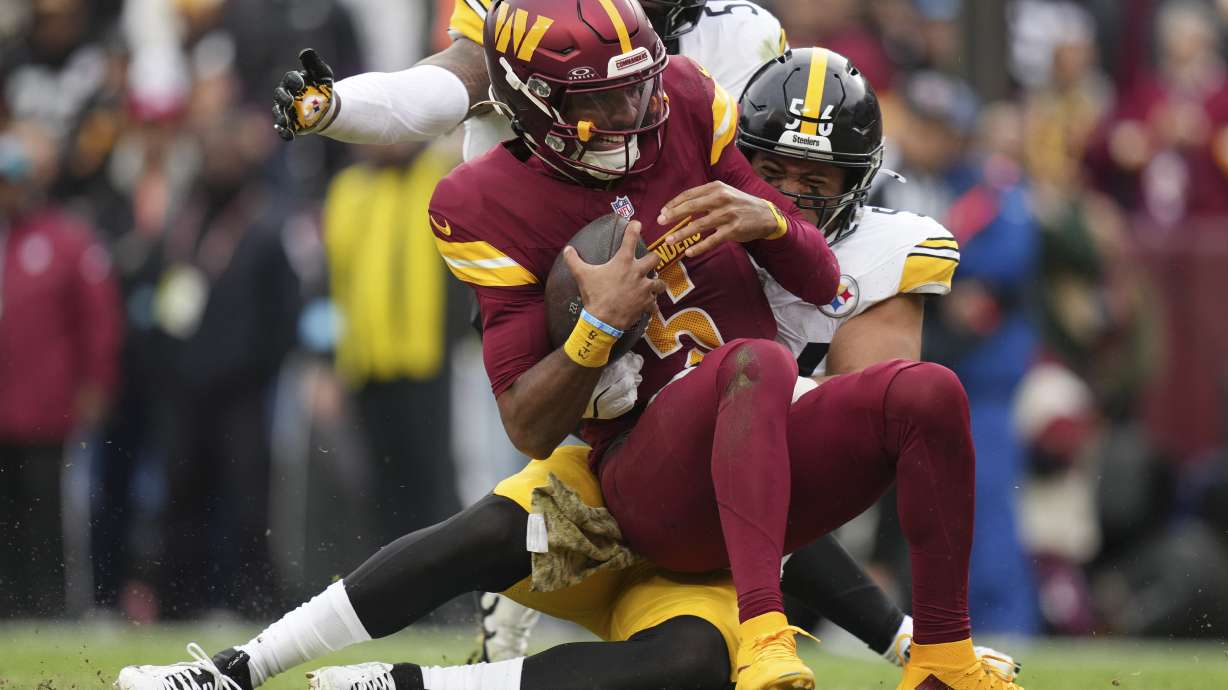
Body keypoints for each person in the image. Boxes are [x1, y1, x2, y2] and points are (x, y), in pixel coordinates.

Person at [115, 38, 1019, 690]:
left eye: (819, 186)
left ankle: (403, 688)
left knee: (705, 628)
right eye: (776, 174)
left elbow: (820, 436)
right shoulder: (501, 195)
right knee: (483, 530)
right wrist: (596, 333)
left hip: (739, 502)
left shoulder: (713, 127)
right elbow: (527, 414)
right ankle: (237, 671)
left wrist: (774, 223)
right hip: (628, 459)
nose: (794, 196)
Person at [0, 122, 122, 619]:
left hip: (47, 411)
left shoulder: (65, 240)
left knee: (48, 517)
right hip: (4, 408)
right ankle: (9, 606)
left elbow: (99, 321)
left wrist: (95, 384)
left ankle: (53, 607)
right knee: (6, 519)